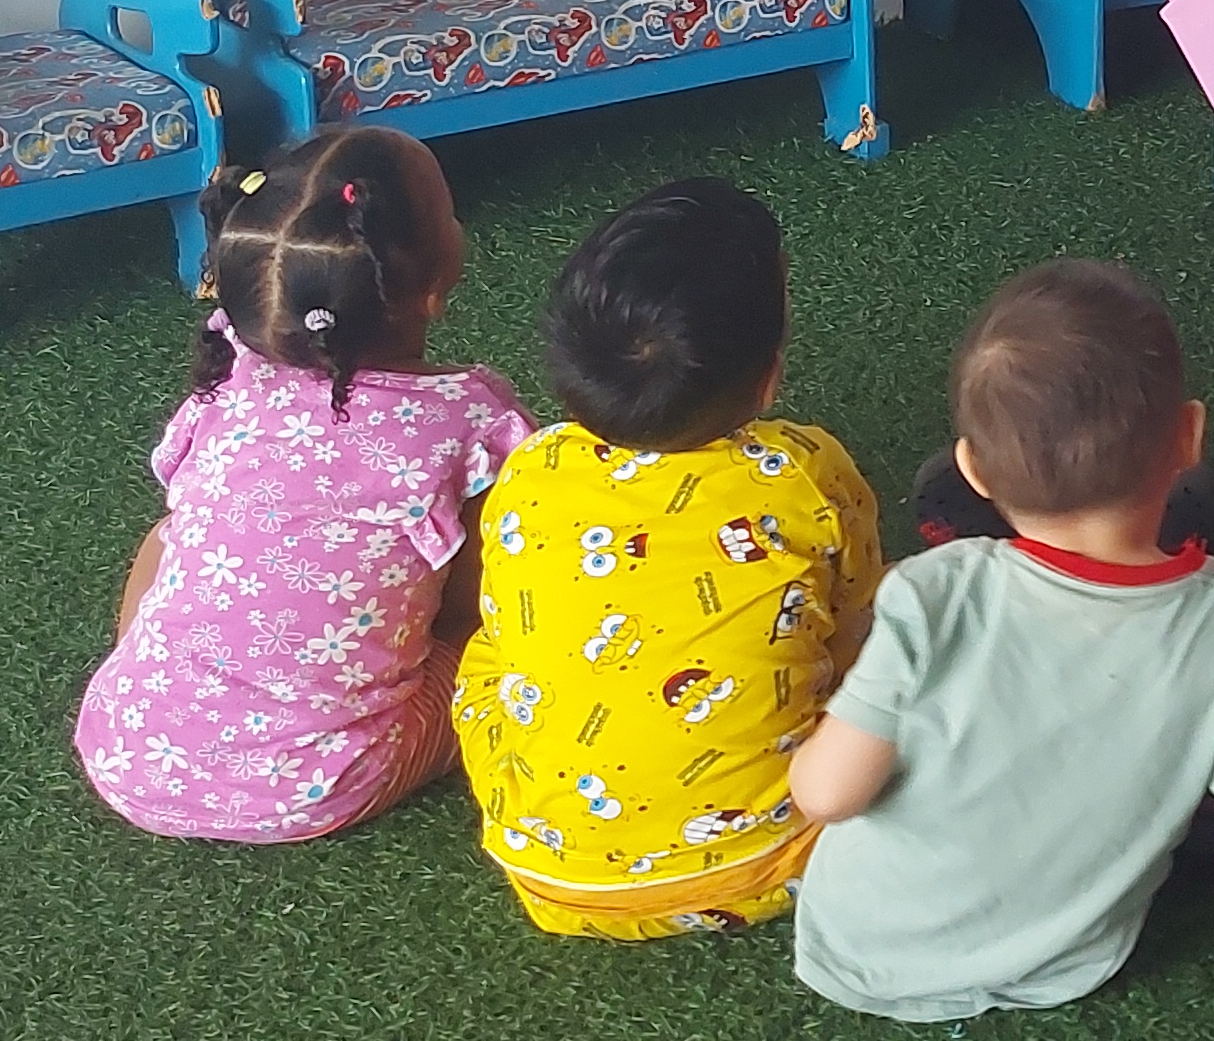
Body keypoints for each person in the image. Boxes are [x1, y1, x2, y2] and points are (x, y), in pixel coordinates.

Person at [788, 260, 1214, 1041]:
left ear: (972, 469)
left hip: (859, 950)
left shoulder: (930, 590)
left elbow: (826, 795)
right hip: (1062, 965)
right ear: (1188, 436)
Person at [73, 125, 531, 842]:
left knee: (167, 535)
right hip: (323, 782)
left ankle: (170, 690)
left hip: (125, 749)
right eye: (449, 215)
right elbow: (485, 586)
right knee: (501, 640)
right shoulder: (468, 418)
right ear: (433, 287)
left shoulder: (232, 372)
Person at [453, 177, 881, 937]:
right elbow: (855, 633)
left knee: (488, 655)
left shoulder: (528, 471)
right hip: (785, 859)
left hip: (550, 878)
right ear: (768, 376)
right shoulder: (807, 472)